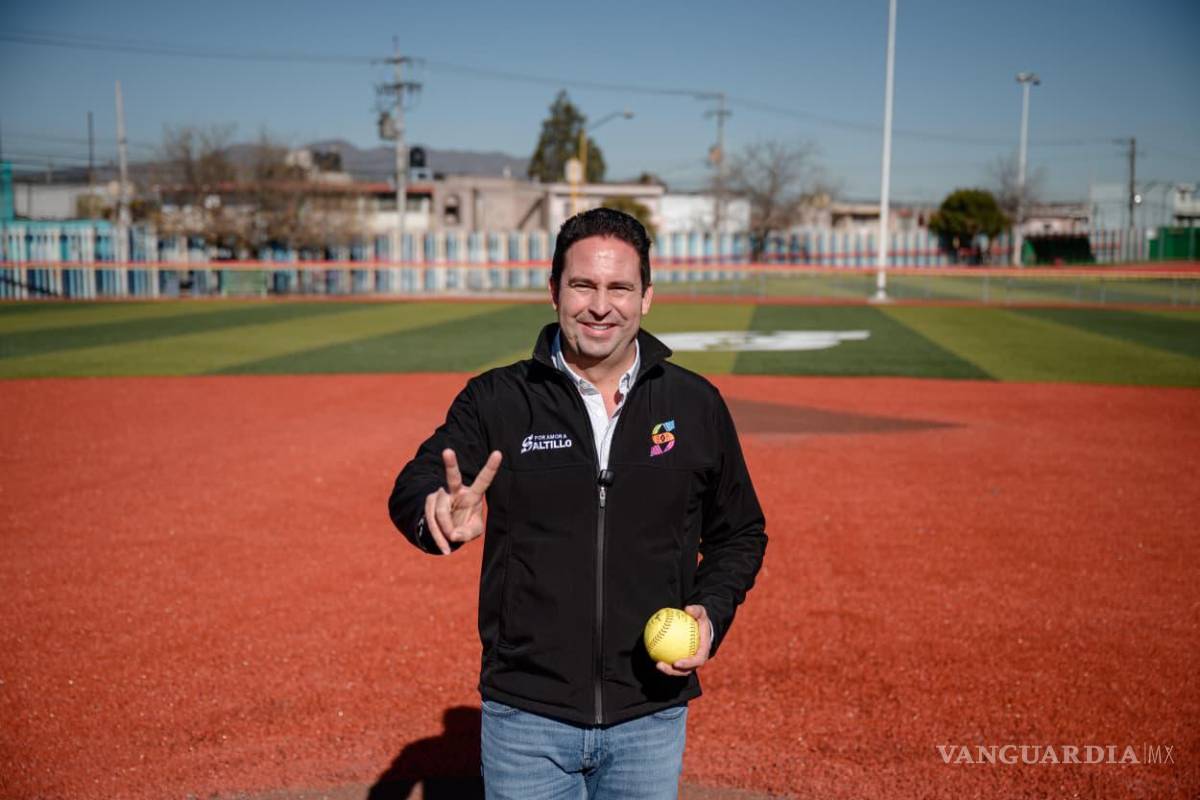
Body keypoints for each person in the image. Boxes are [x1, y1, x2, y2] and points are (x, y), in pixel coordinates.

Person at [388, 207, 767, 800]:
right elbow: (416, 481)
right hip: (526, 715)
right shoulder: (499, 400)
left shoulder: (695, 404)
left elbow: (739, 532)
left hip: (650, 711)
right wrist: (433, 507)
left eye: (620, 288)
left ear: (646, 298)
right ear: (554, 291)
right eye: (583, 285)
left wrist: (711, 612)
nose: (600, 306)